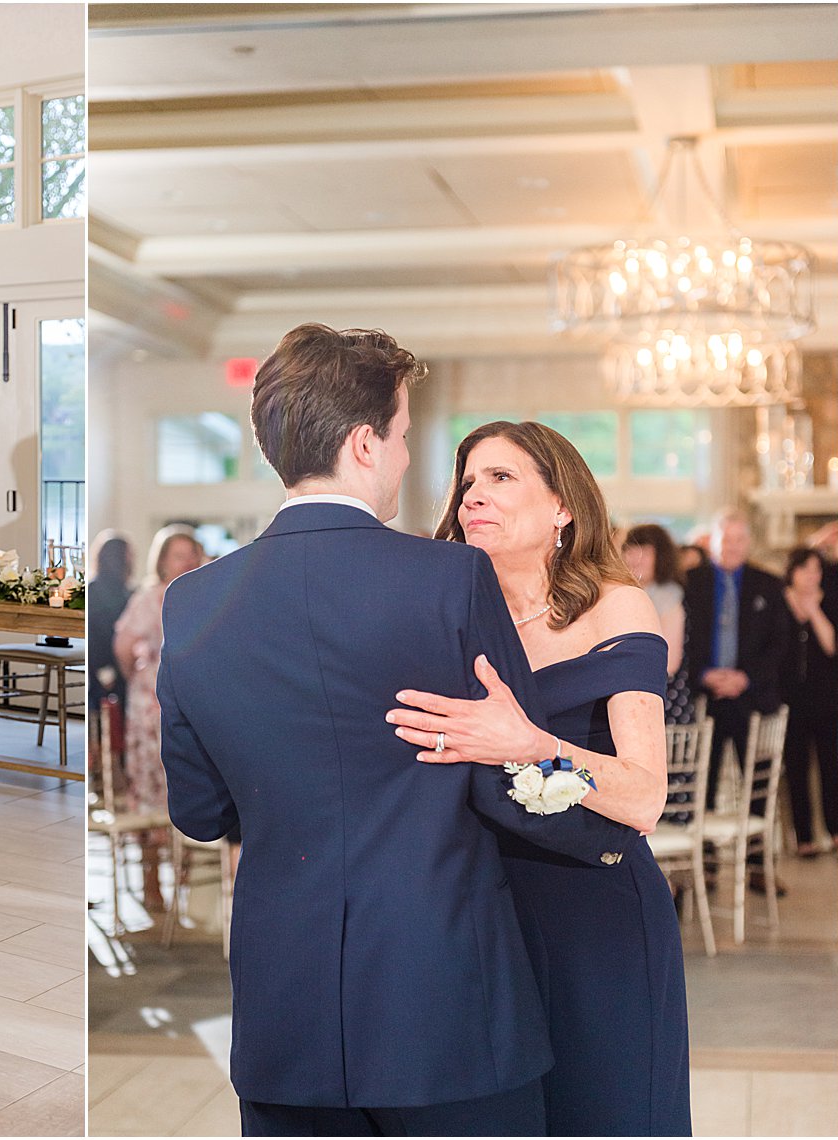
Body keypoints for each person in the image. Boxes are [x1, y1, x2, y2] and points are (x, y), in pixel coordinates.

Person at [158, 325, 635, 1137]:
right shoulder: (451, 577)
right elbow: (509, 776)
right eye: (407, 437)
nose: (411, 459)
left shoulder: (194, 602)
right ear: (364, 443)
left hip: (285, 1005)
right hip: (449, 994)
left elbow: (199, 811)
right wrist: (608, 842)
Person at [393, 420, 689, 1135]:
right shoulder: (449, 618)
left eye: (501, 477)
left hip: (595, 910)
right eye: (467, 482)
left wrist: (531, 744)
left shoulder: (614, 608)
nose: (474, 495)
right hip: (478, 916)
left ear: (563, 506)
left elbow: (647, 796)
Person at [114, 524, 203, 912]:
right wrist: (137, 657)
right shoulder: (151, 598)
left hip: (196, 709)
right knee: (152, 797)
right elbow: (123, 646)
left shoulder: (206, 595)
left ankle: (188, 879)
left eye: (192, 553)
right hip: (152, 712)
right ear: (163, 561)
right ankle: (152, 883)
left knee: (194, 792)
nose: (188, 561)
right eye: (179, 555)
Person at [682, 508, 787, 807]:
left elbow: (779, 643)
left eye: (740, 539)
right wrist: (703, 674)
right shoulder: (690, 582)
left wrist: (746, 677)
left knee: (759, 785)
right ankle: (708, 852)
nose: (733, 545)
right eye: (726, 538)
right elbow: (681, 639)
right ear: (712, 540)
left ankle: (756, 854)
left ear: (749, 542)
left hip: (752, 697)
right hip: (703, 697)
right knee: (703, 785)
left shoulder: (769, 584)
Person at [780, 546, 838, 856]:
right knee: (797, 768)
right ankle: (803, 838)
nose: (811, 576)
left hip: (826, 698)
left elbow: (832, 645)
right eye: (805, 569)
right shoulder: (779, 600)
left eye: (816, 570)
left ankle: (837, 832)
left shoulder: (831, 600)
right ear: (793, 571)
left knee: (831, 766)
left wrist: (815, 609)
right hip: (791, 700)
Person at [622, 522, 694, 723]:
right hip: (632, 692)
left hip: (662, 700)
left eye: (645, 551)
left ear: (661, 557)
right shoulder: (625, 593)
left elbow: (669, 664)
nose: (636, 558)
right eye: (631, 549)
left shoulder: (668, 596)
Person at [87, 530, 134, 720]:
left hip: (117, 664)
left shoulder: (126, 591)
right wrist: (104, 669)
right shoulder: (97, 591)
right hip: (105, 665)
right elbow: (96, 633)